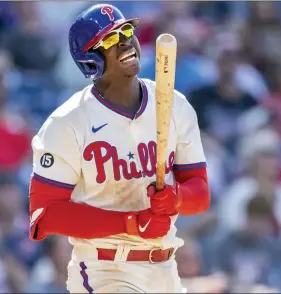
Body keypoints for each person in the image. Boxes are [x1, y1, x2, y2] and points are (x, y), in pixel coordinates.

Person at [28, 4, 210, 293]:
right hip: (106, 269)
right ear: (90, 61)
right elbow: (44, 215)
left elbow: (199, 191)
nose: (126, 40)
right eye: (110, 39)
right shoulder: (67, 123)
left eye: (127, 30)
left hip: (165, 269)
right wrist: (131, 223)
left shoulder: (175, 104)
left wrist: (176, 200)